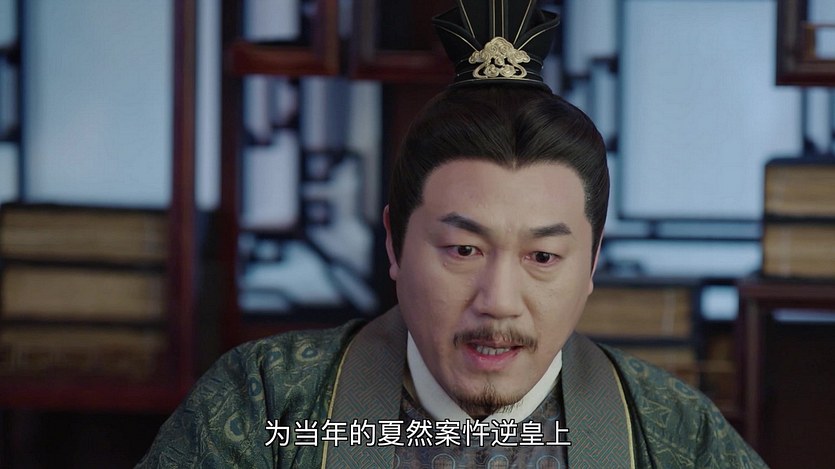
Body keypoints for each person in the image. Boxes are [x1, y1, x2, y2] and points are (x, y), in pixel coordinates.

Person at [139, 1, 767, 467]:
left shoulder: (674, 436)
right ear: (394, 242)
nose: (499, 301)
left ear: (593, 262)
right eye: (464, 249)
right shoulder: (267, 406)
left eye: (543, 255)